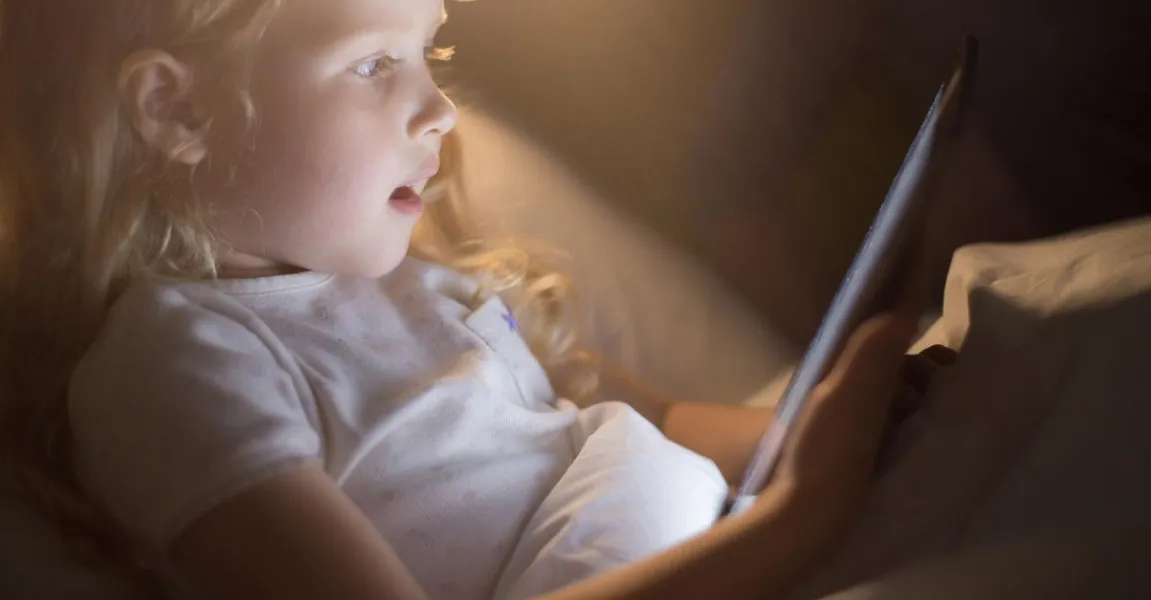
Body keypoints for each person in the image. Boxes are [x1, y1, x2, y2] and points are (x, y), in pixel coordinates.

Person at [0, 0, 930, 598]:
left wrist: (834, 420)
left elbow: (664, 416)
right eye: (375, 65)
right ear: (178, 111)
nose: (441, 108)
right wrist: (797, 518)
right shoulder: (172, 363)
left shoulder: (422, 275)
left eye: (430, 52)